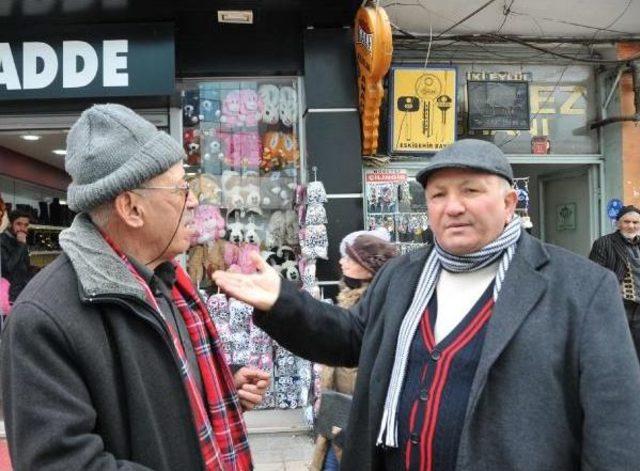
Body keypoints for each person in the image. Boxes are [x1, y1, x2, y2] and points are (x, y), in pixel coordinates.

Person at [214, 139, 640, 471]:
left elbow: (616, 424)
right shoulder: (404, 275)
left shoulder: (580, 288)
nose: (452, 207)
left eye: (471, 191)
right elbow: (351, 339)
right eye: (438, 195)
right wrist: (281, 303)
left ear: (510, 203)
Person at [1, 104, 269, 471]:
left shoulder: (166, 281)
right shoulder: (44, 318)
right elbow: (61, 462)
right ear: (131, 208)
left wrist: (220, 384)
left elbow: (155, 384)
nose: (193, 201)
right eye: (181, 188)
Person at [311, 228, 397, 471]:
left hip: (358, 415)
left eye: (349, 258)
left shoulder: (377, 308)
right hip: (338, 409)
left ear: (367, 265)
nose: (341, 261)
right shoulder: (349, 300)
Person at [589, 204, 640, 358]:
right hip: (619, 305)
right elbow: (595, 276)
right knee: (620, 351)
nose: (631, 226)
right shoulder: (604, 243)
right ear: (618, 223)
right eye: (627, 222)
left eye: (635, 222)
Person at [0, 209, 32, 303]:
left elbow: (26, 265)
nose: (22, 228)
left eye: (26, 225)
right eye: (18, 224)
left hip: (21, 292)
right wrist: (21, 245)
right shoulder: (2, 241)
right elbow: (7, 268)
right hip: (7, 296)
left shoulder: (20, 240)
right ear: (10, 224)